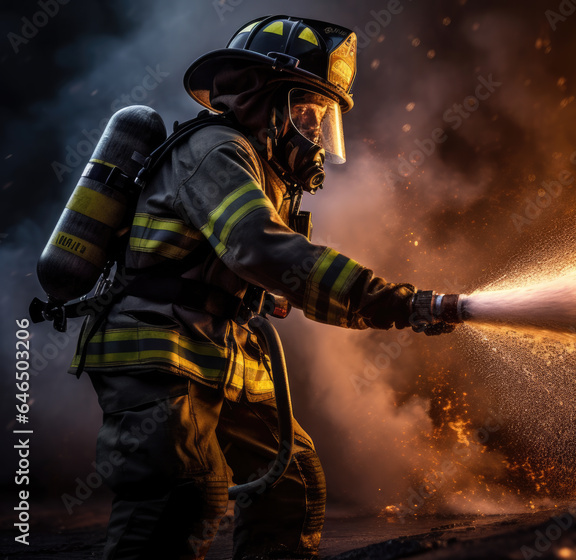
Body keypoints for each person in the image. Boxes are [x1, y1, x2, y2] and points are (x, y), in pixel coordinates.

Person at [72, 15, 452, 560]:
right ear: (261, 98)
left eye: (322, 120)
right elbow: (262, 248)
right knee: (179, 497)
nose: (316, 135)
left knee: (290, 481)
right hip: (157, 346)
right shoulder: (216, 151)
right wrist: (396, 302)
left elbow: (266, 271)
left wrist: (373, 305)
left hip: (218, 345)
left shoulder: (260, 169)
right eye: (306, 113)